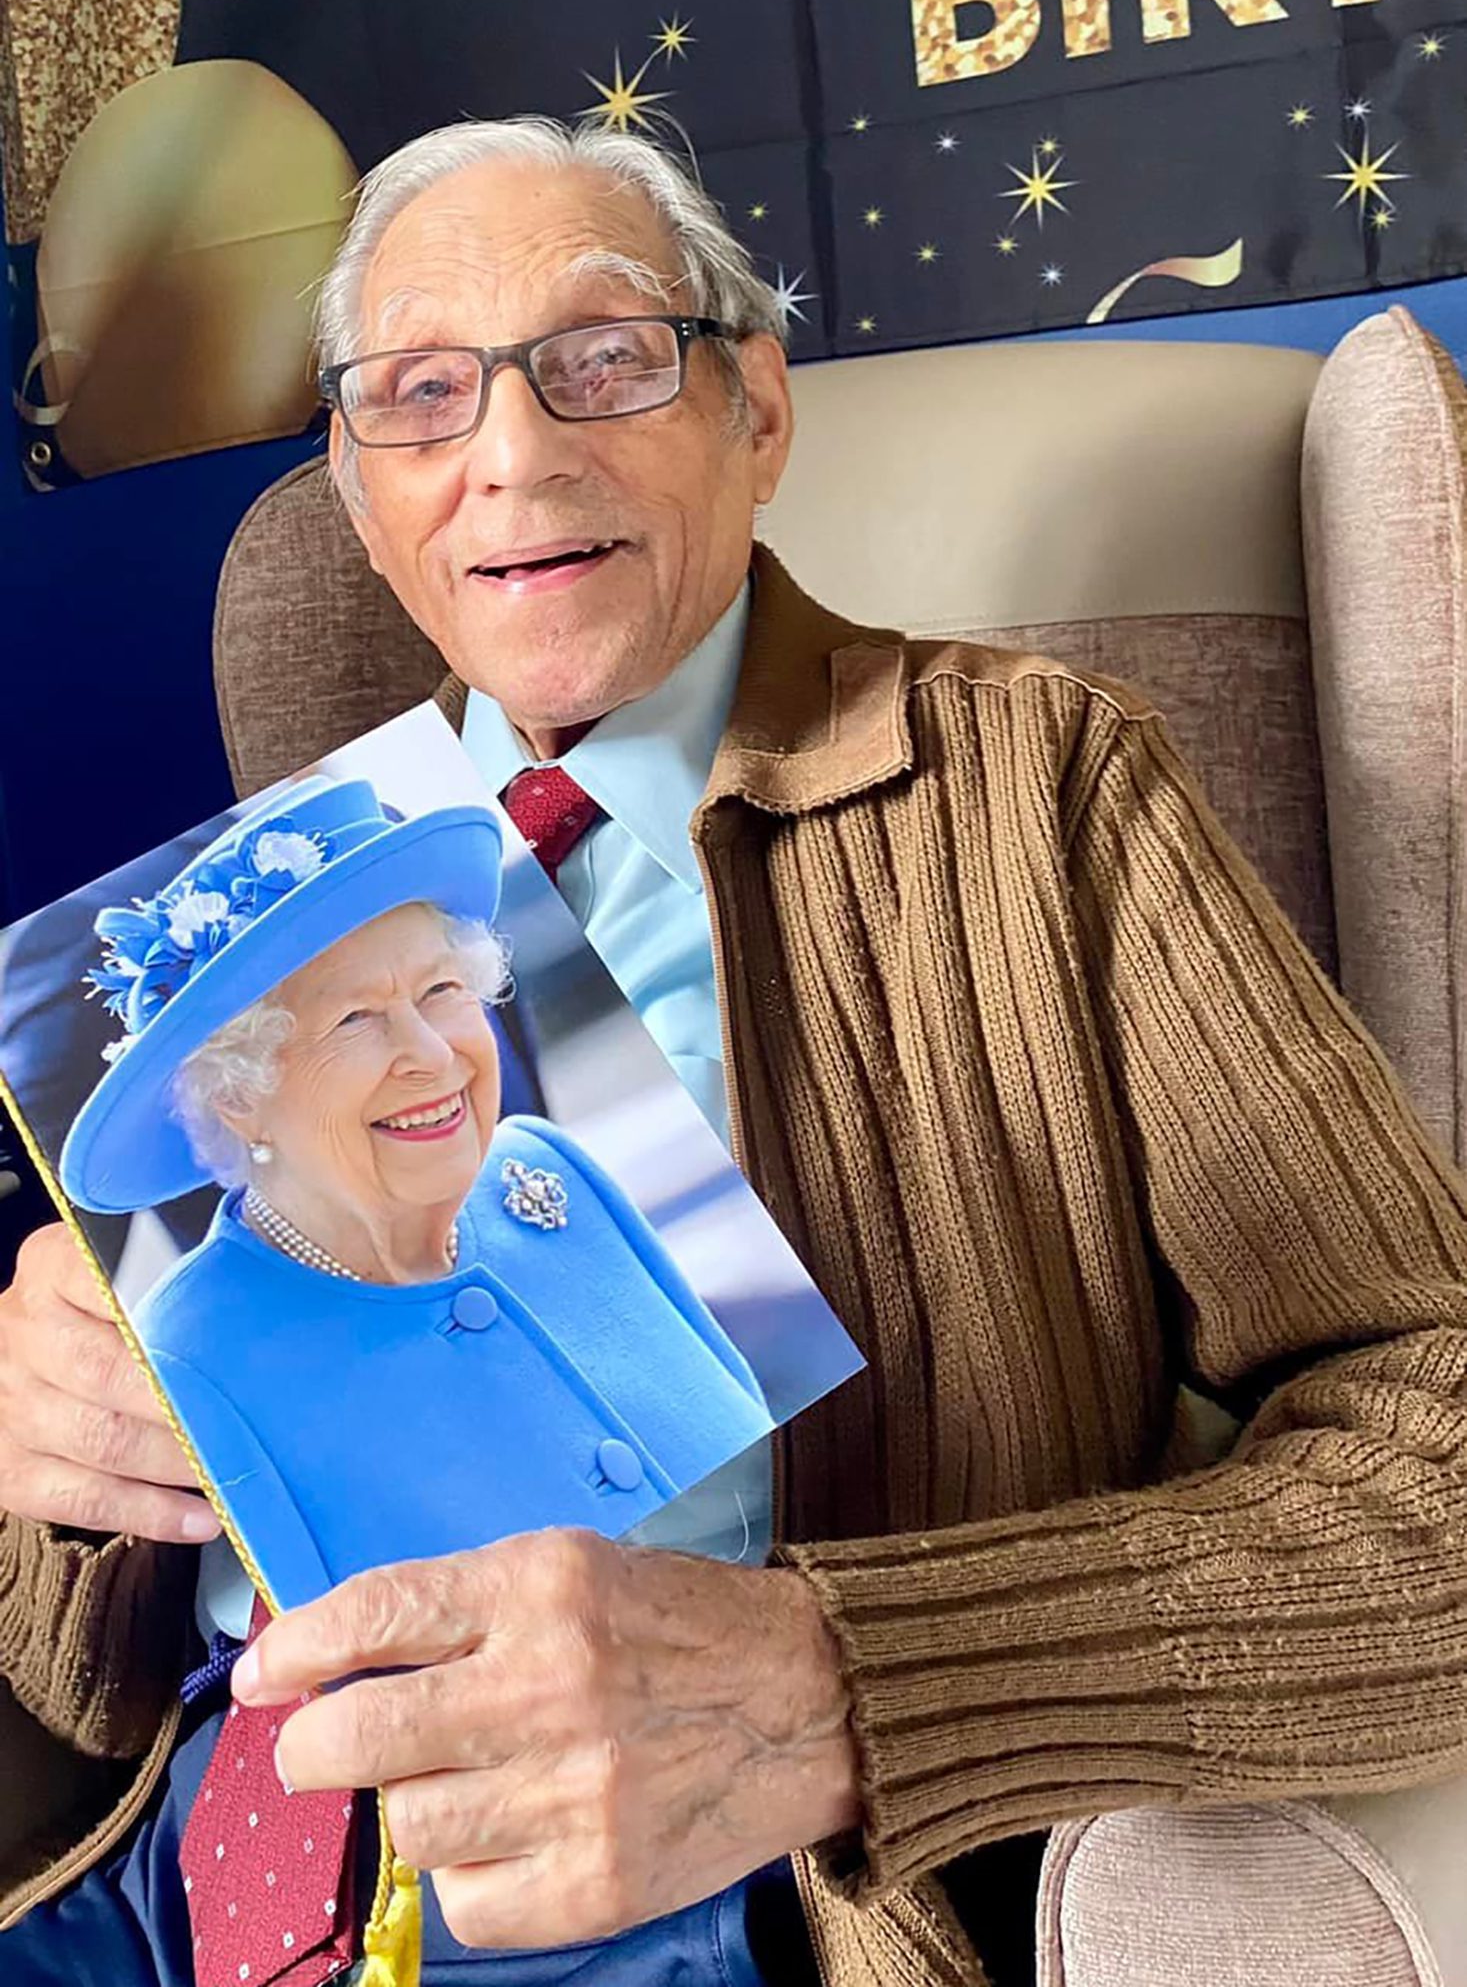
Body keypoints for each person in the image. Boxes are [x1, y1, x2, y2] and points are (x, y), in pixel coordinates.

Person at [3, 112, 1467, 1987]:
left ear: (754, 412)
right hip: (198, 1870)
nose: (513, 456)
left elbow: (1437, 1434)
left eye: (603, 361)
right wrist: (44, 1460)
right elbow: (76, 1687)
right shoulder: (259, 912)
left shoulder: (1040, 785)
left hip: (703, 1887)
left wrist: (836, 1680)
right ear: (363, 499)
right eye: (420, 400)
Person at [55, 774, 773, 1616]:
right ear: (238, 1094)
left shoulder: (548, 1169)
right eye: (355, 1019)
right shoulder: (187, 1362)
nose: (433, 1054)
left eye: (441, 991)